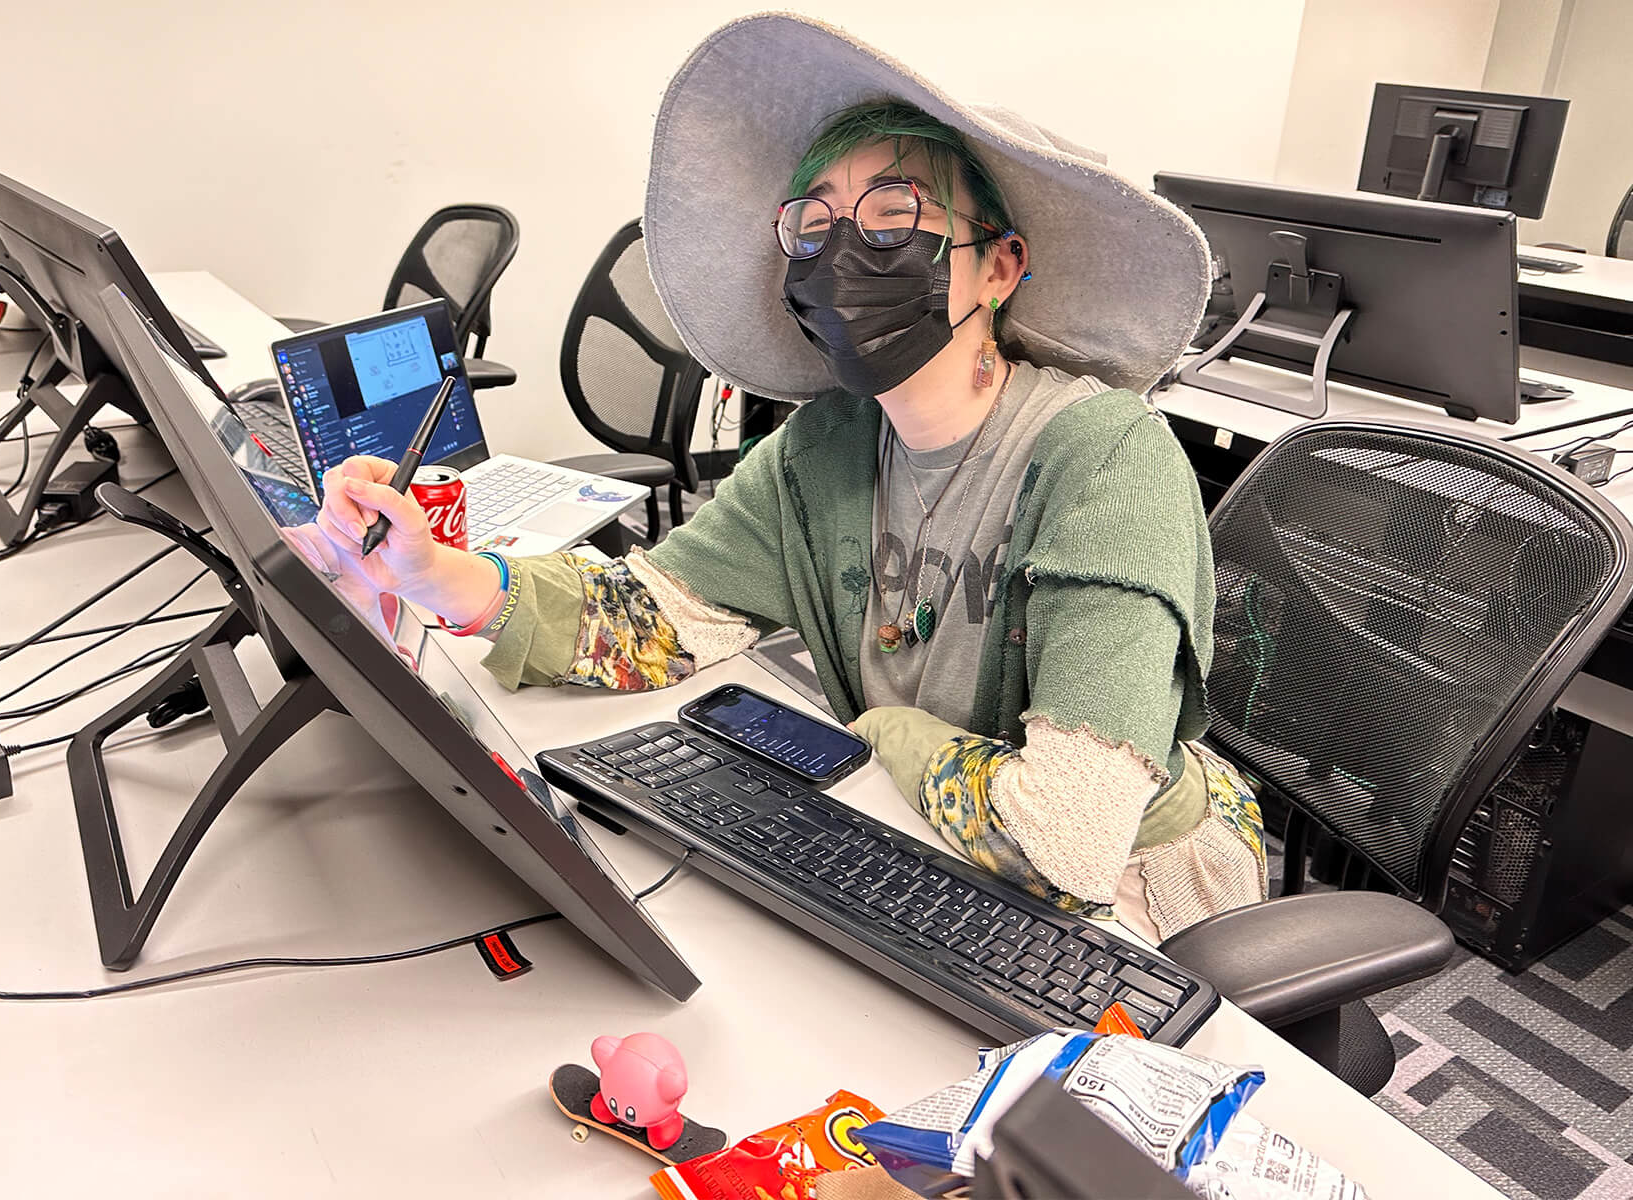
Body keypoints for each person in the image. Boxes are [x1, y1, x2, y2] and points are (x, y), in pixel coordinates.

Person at [297, 13, 1266, 945]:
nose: (845, 253)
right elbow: (656, 618)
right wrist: (437, 576)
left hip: (1142, 896)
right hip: (930, 847)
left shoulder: (1104, 462)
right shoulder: (829, 447)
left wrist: (881, 731)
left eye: (894, 218)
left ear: (1000, 266)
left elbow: (1067, 839)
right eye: (814, 226)